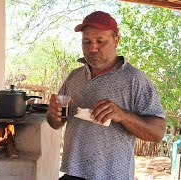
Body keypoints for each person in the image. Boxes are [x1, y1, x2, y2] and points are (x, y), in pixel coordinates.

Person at [46, 11, 166, 180]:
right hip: (73, 173)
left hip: (113, 175)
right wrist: (54, 115)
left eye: (100, 41)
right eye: (86, 41)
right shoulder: (74, 76)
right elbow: (57, 122)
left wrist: (122, 115)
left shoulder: (135, 80)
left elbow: (157, 133)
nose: (92, 48)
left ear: (116, 40)